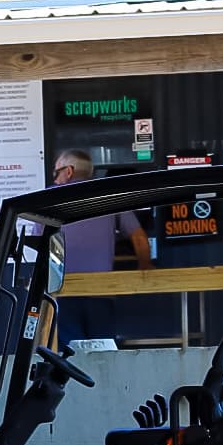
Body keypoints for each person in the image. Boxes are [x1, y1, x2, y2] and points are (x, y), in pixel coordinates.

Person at [52, 145, 151, 340]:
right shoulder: (108, 197)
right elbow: (139, 237)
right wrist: (144, 268)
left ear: (69, 171)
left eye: (57, 172)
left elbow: (39, 245)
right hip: (102, 293)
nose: (55, 178)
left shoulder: (51, 199)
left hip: (65, 292)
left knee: (68, 357)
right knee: (103, 354)